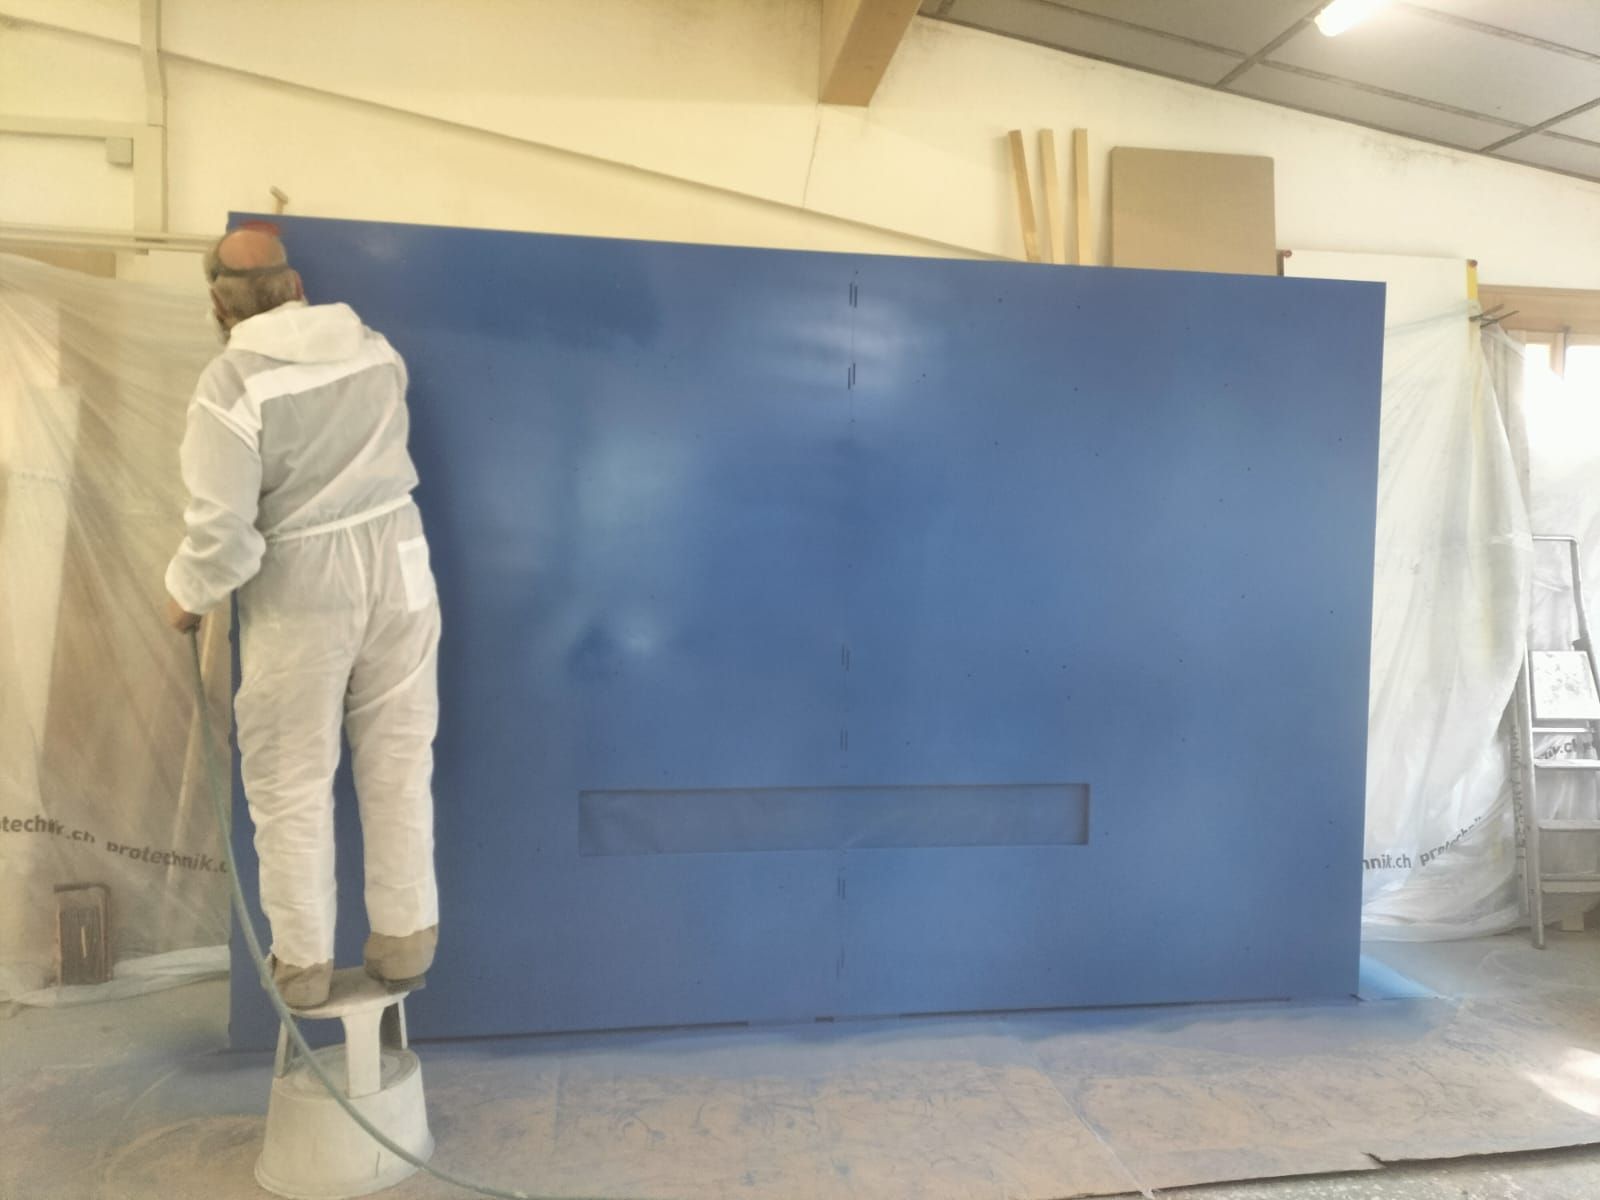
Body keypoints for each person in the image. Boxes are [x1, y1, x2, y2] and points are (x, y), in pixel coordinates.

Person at [164, 225, 440, 1008]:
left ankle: (305, 968)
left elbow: (224, 536)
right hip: (401, 555)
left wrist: (186, 596)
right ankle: (405, 943)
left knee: (291, 776)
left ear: (219, 304)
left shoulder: (231, 385)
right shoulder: (375, 349)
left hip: (304, 580)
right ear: (296, 288)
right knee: (399, 756)